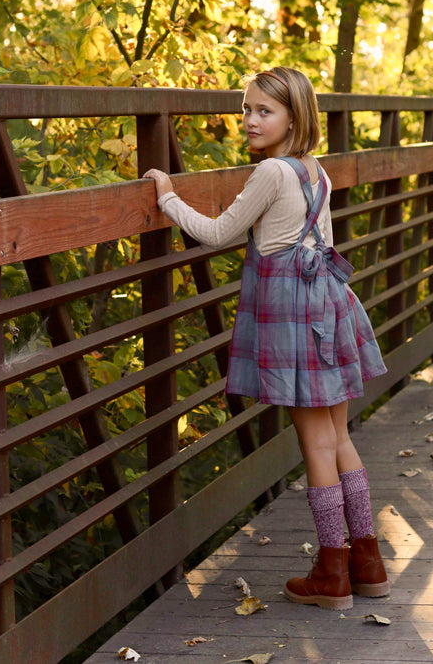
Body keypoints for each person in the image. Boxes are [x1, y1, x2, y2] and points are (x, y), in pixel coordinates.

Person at [144, 66, 389, 611]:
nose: (250, 121)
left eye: (264, 111)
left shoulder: (272, 174)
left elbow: (215, 232)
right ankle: (367, 560)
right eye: (247, 110)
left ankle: (333, 569)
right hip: (328, 303)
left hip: (292, 315)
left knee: (315, 442)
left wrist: (167, 195)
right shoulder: (315, 171)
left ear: (294, 117)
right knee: (339, 437)